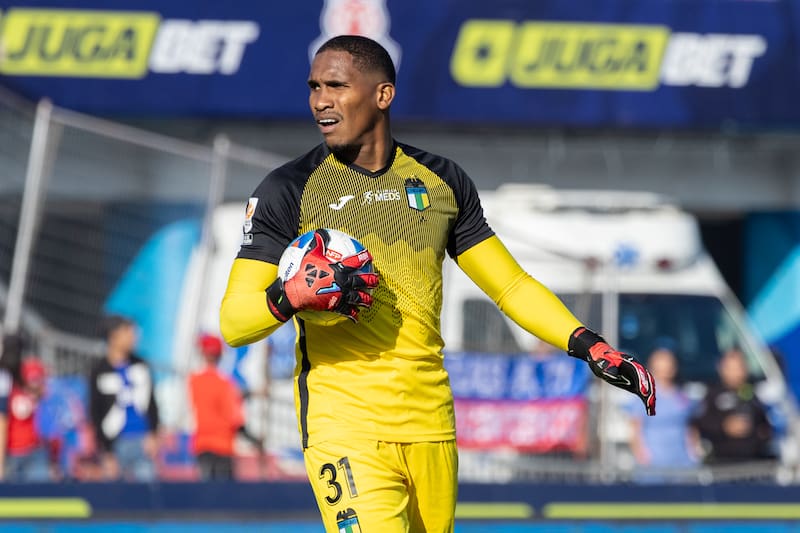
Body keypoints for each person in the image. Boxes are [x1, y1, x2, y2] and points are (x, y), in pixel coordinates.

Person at [219, 35, 656, 532]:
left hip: (432, 423)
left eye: (337, 85)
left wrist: (591, 346)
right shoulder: (287, 189)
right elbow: (234, 321)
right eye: (314, 87)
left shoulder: (441, 182)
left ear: (383, 95)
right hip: (343, 426)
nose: (321, 100)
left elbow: (510, 286)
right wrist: (288, 295)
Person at [89, 315, 160, 482]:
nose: (133, 338)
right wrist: (106, 451)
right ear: (113, 337)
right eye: (127, 332)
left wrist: (154, 434)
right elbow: (95, 411)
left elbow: (152, 403)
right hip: (116, 443)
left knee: (148, 496)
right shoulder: (99, 371)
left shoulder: (140, 365)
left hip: (142, 442)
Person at [690, 347, 774, 464]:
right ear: (722, 369)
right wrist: (724, 426)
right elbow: (701, 423)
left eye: (740, 367)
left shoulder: (751, 393)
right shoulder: (712, 394)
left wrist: (758, 433)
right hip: (723, 463)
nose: (737, 373)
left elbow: (765, 425)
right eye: (732, 368)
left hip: (753, 461)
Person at [627, 345, 698, 480]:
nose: (666, 367)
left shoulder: (682, 396)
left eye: (669, 362)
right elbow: (635, 428)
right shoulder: (644, 395)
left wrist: (693, 454)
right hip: (653, 463)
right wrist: (642, 456)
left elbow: (690, 427)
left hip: (681, 461)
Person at [188, 333, 246, 481]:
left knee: (204, 496)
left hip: (202, 444)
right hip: (223, 446)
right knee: (224, 499)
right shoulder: (226, 384)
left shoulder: (194, 381)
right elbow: (235, 418)